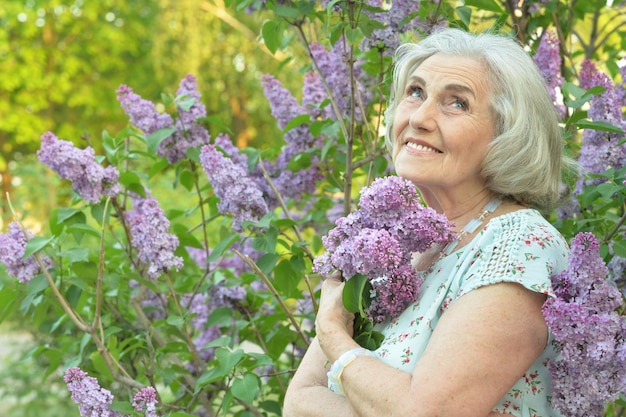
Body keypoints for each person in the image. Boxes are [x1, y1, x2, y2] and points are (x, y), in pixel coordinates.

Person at [283, 28, 577, 417]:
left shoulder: (519, 246)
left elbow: (424, 413)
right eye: (415, 92)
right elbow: (299, 400)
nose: (419, 118)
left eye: (457, 103)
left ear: (507, 136)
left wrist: (335, 335)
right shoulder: (394, 248)